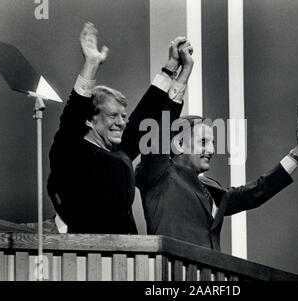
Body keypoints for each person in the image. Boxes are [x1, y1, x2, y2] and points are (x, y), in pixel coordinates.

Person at [47, 22, 194, 234]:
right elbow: (73, 113)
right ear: (89, 119)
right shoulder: (70, 151)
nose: (121, 122)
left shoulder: (118, 151)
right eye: (113, 116)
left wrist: (176, 68)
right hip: (86, 258)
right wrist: (91, 64)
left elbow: (146, 116)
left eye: (123, 116)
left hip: (127, 257)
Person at [136, 102, 298, 250]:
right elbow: (158, 138)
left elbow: (257, 190)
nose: (211, 150)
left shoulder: (211, 189)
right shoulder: (158, 175)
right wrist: (178, 82)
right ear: (179, 143)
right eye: (203, 142)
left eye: (213, 143)